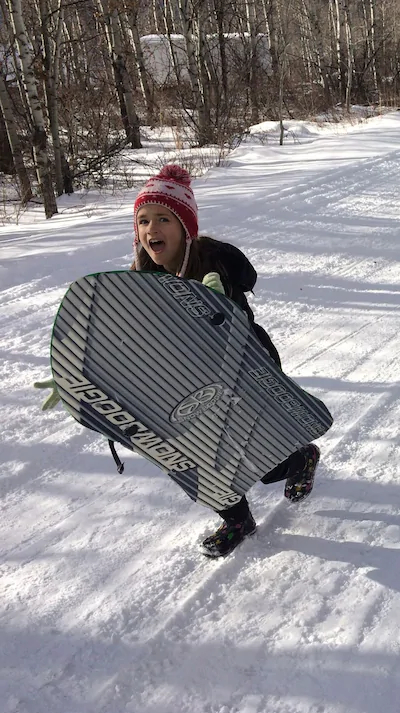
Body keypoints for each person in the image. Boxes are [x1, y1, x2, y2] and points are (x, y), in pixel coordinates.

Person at [36, 165, 320, 558]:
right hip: (184, 383)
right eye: (143, 220)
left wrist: (219, 304)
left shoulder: (213, 266)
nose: (151, 228)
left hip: (243, 372)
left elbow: (234, 327)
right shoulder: (138, 282)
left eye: (163, 219)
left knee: (258, 459)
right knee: (200, 460)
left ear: (185, 227)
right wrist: (80, 373)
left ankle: (300, 458)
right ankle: (237, 519)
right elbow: (124, 340)